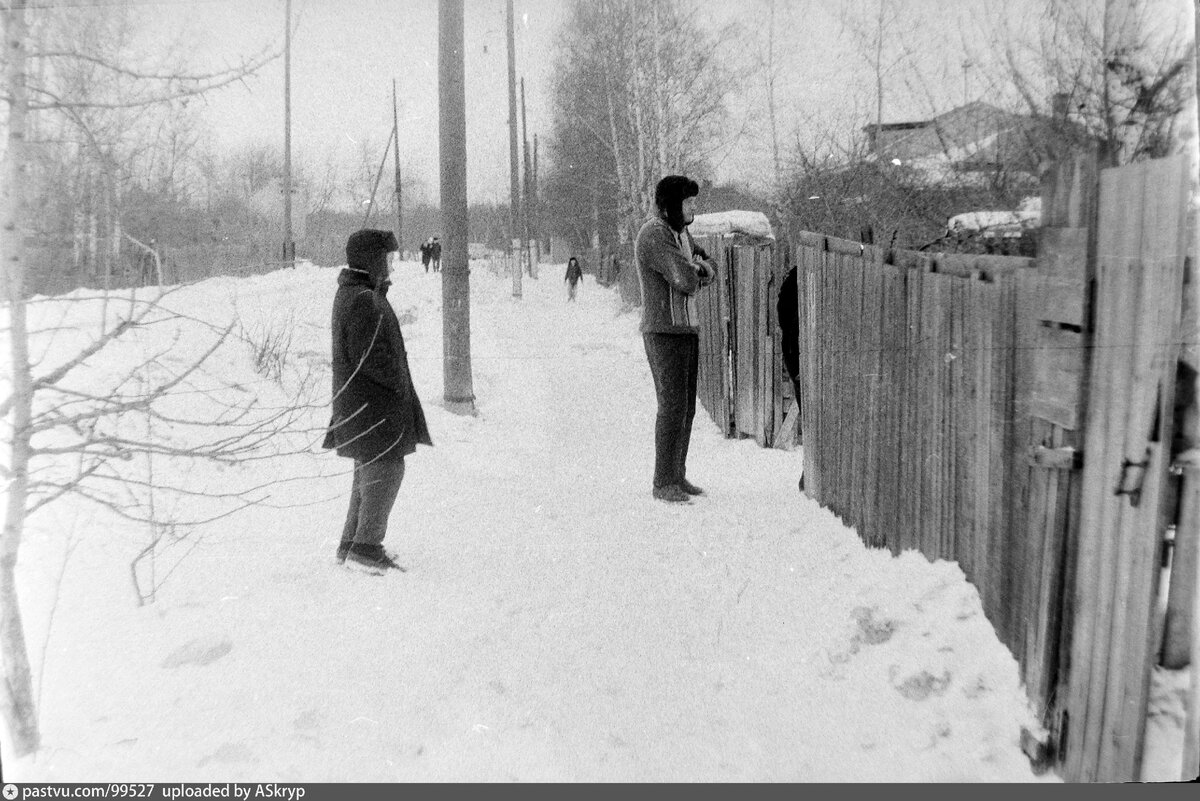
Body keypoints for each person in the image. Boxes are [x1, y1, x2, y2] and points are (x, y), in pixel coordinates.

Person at [322, 229, 433, 573]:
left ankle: (351, 545)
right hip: (375, 409)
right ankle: (366, 549)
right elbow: (370, 355)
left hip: (363, 408)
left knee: (369, 474)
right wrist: (398, 381)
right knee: (387, 469)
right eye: (385, 260)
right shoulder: (363, 300)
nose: (390, 267)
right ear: (372, 260)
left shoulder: (357, 294)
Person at [635, 175, 716, 503]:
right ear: (671, 204)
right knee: (671, 407)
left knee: (686, 409)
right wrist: (696, 270)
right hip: (663, 331)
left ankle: (677, 475)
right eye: (688, 202)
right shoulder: (655, 234)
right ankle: (662, 481)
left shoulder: (681, 233)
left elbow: (710, 265)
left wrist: (701, 268)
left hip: (686, 329)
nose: (693, 207)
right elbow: (684, 278)